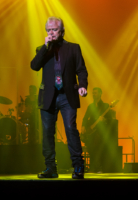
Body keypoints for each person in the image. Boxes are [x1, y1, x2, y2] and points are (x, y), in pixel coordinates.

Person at [30, 16, 88, 179]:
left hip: (66, 95)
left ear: (62, 31)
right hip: (48, 97)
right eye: (48, 30)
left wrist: (82, 85)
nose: (51, 32)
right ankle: (50, 168)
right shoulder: (42, 49)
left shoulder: (73, 48)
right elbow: (34, 66)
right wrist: (45, 47)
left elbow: (81, 70)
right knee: (48, 132)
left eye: (54, 30)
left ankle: (78, 167)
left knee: (71, 129)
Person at [81, 87, 116, 172]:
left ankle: (99, 167)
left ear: (100, 94)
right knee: (91, 149)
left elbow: (111, 120)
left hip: (101, 132)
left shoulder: (105, 106)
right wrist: (83, 126)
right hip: (91, 132)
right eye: (93, 93)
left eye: (95, 93)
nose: (93, 94)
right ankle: (93, 168)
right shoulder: (90, 106)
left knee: (100, 150)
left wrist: (104, 120)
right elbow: (85, 118)